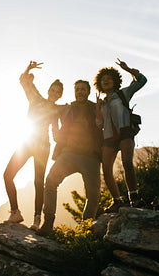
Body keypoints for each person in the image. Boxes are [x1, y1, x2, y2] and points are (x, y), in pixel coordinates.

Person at [37, 80, 103, 236]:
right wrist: (54, 130)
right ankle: (48, 223)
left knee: (93, 195)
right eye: (77, 89)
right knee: (51, 182)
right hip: (68, 154)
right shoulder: (67, 108)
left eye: (83, 89)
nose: (80, 92)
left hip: (91, 157)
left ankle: (85, 229)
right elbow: (49, 110)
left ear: (88, 92)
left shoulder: (96, 108)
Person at [3, 61, 64, 231]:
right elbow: (23, 81)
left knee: (39, 182)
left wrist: (60, 138)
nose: (54, 93)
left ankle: (37, 219)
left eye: (58, 92)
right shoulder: (35, 97)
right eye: (53, 89)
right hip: (27, 141)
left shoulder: (57, 110)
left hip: (43, 146)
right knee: (8, 175)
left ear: (60, 96)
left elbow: (56, 131)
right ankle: (15, 211)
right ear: (49, 90)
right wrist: (28, 69)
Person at [94, 58, 147, 213]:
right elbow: (99, 125)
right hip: (109, 138)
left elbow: (142, 80)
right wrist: (97, 109)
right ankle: (117, 201)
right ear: (99, 83)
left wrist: (129, 69)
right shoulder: (102, 103)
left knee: (127, 163)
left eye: (109, 78)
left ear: (115, 81)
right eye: (103, 79)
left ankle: (134, 198)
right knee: (106, 169)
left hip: (125, 133)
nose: (106, 81)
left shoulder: (124, 93)